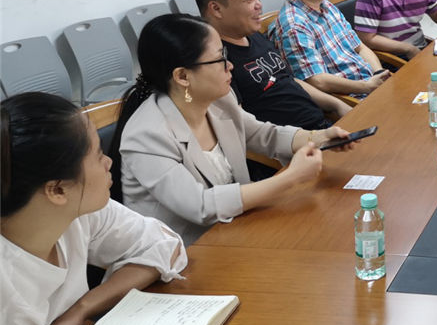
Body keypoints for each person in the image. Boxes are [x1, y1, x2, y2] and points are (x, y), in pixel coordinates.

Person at [1, 92, 186, 325]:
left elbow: (166, 245)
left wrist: (83, 307)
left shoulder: (78, 214)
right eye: (98, 154)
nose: (108, 162)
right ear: (57, 189)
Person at [111, 14, 353, 246]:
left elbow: (262, 134)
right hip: (186, 253)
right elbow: (201, 206)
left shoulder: (219, 99)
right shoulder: (146, 134)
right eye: (219, 59)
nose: (230, 65)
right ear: (183, 76)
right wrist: (290, 178)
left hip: (238, 229)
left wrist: (318, 138)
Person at [188, 0, 349, 130]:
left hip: (322, 126)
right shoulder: (215, 61)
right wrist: (308, 139)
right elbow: (242, 127)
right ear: (216, 9)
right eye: (249, 0)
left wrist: (337, 105)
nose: (259, 5)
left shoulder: (254, 35)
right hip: (291, 142)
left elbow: (289, 80)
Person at [270, 0, 391, 96]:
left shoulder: (327, 6)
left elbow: (359, 47)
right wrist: (366, 86)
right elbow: (317, 81)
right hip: (352, 98)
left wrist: (379, 74)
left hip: (371, 86)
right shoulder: (294, 24)